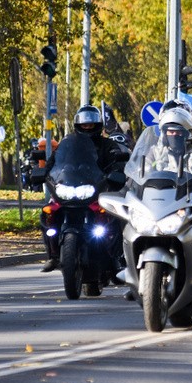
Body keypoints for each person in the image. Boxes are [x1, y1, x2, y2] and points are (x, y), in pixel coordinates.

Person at [40, 105, 128, 272]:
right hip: (69, 187)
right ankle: (53, 255)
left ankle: (118, 258)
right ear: (78, 126)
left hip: (98, 190)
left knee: (117, 215)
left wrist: (117, 172)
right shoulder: (67, 143)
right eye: (84, 125)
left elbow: (118, 161)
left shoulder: (107, 145)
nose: (87, 128)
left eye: (91, 125)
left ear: (98, 125)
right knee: (47, 212)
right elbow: (54, 162)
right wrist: (44, 172)